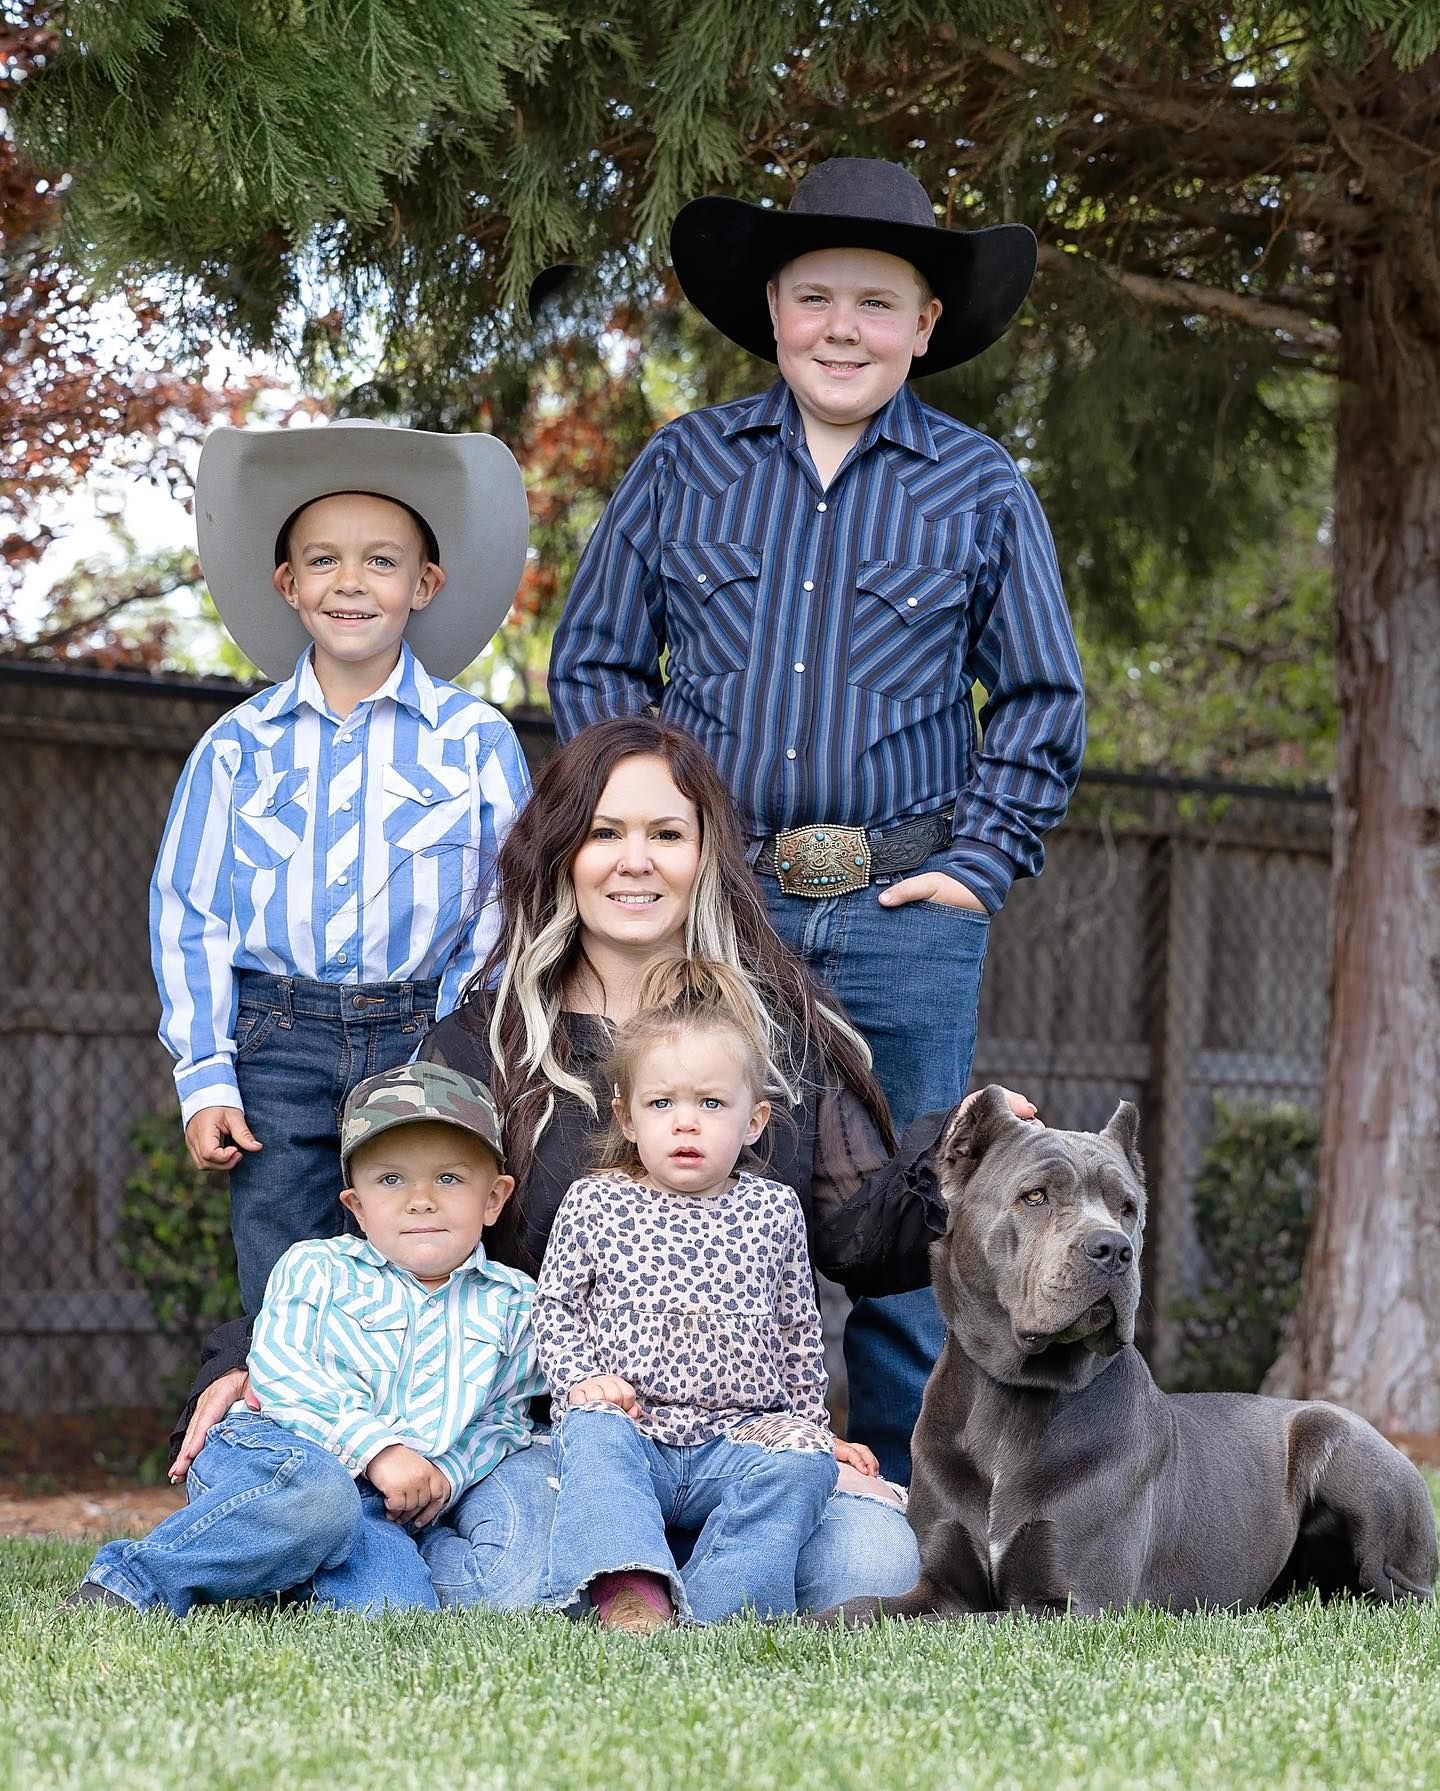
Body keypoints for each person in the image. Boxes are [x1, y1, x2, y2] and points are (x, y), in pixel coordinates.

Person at [169, 716, 1035, 1609]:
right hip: (560, 1447)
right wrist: (247, 1355)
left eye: (666, 834)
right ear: (562, 856)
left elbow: (856, 1237)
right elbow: (390, 1227)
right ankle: (637, 1579)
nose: (636, 860)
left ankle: (680, 1589)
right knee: (516, 1576)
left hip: (741, 1448)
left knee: (871, 1566)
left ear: (706, 856)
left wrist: (961, 1148)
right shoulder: (485, 1043)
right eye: (605, 833)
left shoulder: (775, 1031)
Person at [547, 157, 1085, 1480]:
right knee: (708, 1182)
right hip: (722, 911)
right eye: (815, 297)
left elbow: (1038, 697)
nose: (841, 327)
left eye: (875, 301)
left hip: (907, 910)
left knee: (918, 1212)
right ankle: (711, 1478)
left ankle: (914, 1507)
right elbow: (597, 666)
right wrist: (663, 840)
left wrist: (974, 867)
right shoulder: (683, 469)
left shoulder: (979, 488)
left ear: (925, 324)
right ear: (774, 311)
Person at [153, 419, 532, 1313]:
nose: (350, 582)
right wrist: (204, 1073)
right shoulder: (236, 747)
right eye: (322, 560)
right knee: (286, 1281)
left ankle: (412, 1451)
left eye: (381, 561)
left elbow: (506, 907)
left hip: (424, 1032)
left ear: (424, 584)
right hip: (274, 1043)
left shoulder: (475, 741)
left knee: (419, 1273)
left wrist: (460, 1044)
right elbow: (191, 913)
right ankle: (298, 1449)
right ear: (287, 584)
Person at [72, 1063, 542, 1617]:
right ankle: (132, 1583)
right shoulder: (317, 1269)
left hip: (377, 1507)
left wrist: (449, 1470)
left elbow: (505, 1418)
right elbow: (282, 1373)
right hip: (276, 1455)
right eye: (391, 1180)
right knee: (319, 1498)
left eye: (449, 1178)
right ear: (357, 1207)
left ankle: (278, 1570)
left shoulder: (516, 1303)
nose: (421, 1200)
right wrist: (380, 1449)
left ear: (494, 1198)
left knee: (397, 1610)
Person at [537, 971, 881, 1632]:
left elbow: (797, 1329)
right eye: (662, 1103)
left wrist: (813, 1426)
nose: (686, 1121)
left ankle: (727, 1601)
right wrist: (584, 1379)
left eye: (712, 1104)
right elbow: (555, 1308)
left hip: (740, 1431)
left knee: (800, 1461)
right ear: (627, 1116)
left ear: (752, 1120)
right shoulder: (596, 1201)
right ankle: (630, 1586)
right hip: (636, 1425)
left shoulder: (772, 1209)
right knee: (591, 1433)